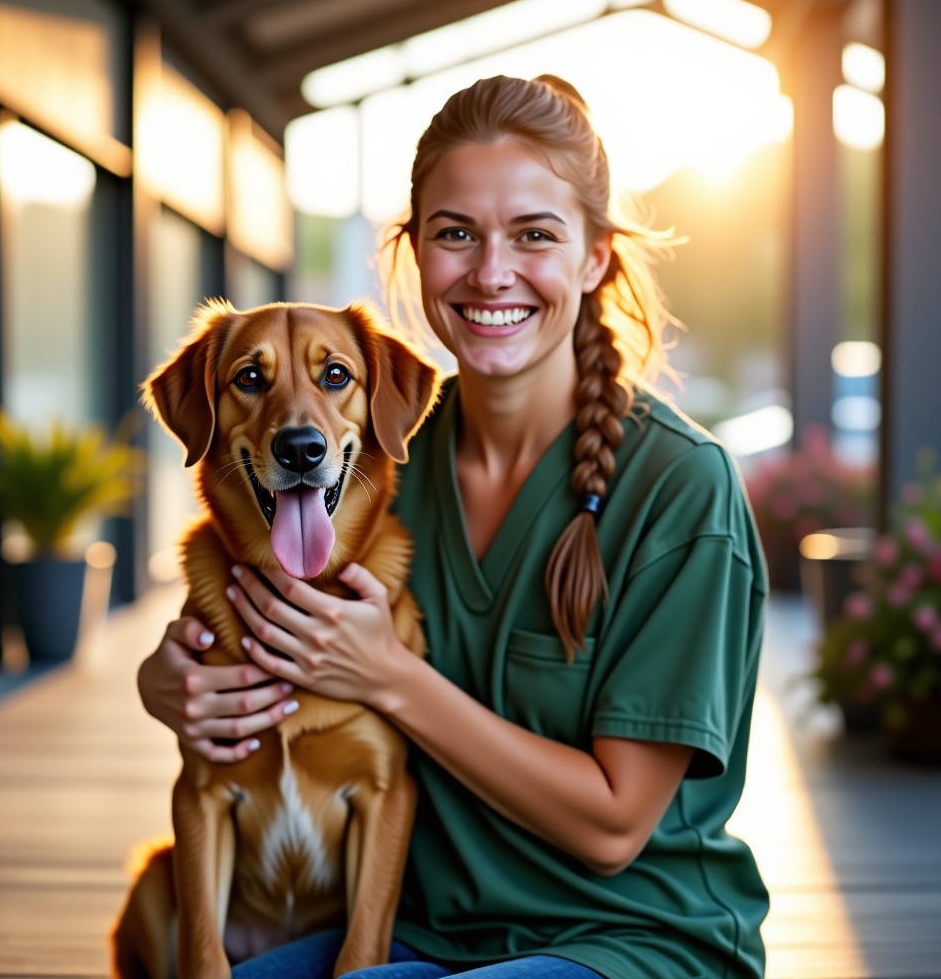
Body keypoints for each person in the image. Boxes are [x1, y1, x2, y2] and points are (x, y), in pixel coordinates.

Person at [138, 74, 769, 979]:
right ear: (414, 252)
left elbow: (614, 825)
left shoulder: (681, 487)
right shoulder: (377, 468)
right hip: (426, 934)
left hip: (630, 944)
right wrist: (170, 684)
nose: (490, 272)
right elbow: (266, 653)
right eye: (456, 233)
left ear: (594, 257)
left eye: (535, 235)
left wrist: (390, 677)